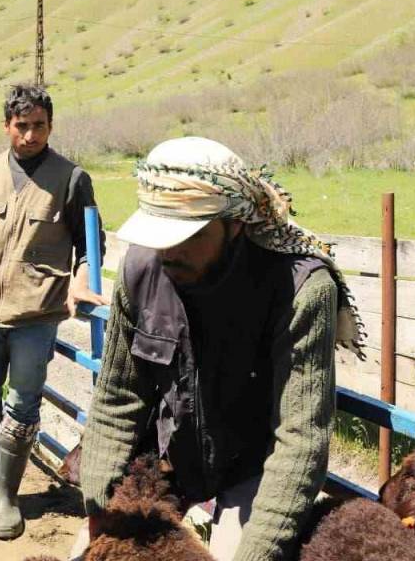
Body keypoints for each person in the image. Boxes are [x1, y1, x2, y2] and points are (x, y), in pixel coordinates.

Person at [74, 136, 365, 561]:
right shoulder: (141, 270)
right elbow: (118, 398)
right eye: (159, 235)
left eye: (186, 235)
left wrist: (257, 552)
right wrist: (101, 514)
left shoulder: (301, 290)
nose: (168, 250)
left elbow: (300, 439)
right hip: (171, 457)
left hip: (255, 468)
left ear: (235, 224)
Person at [0, 83, 107, 540]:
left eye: (40, 126)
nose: (31, 135)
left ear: (50, 125)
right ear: (6, 126)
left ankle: (6, 499)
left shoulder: (72, 179)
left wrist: (82, 280)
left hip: (36, 313)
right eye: (22, 126)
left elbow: (91, 246)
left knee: (22, 406)